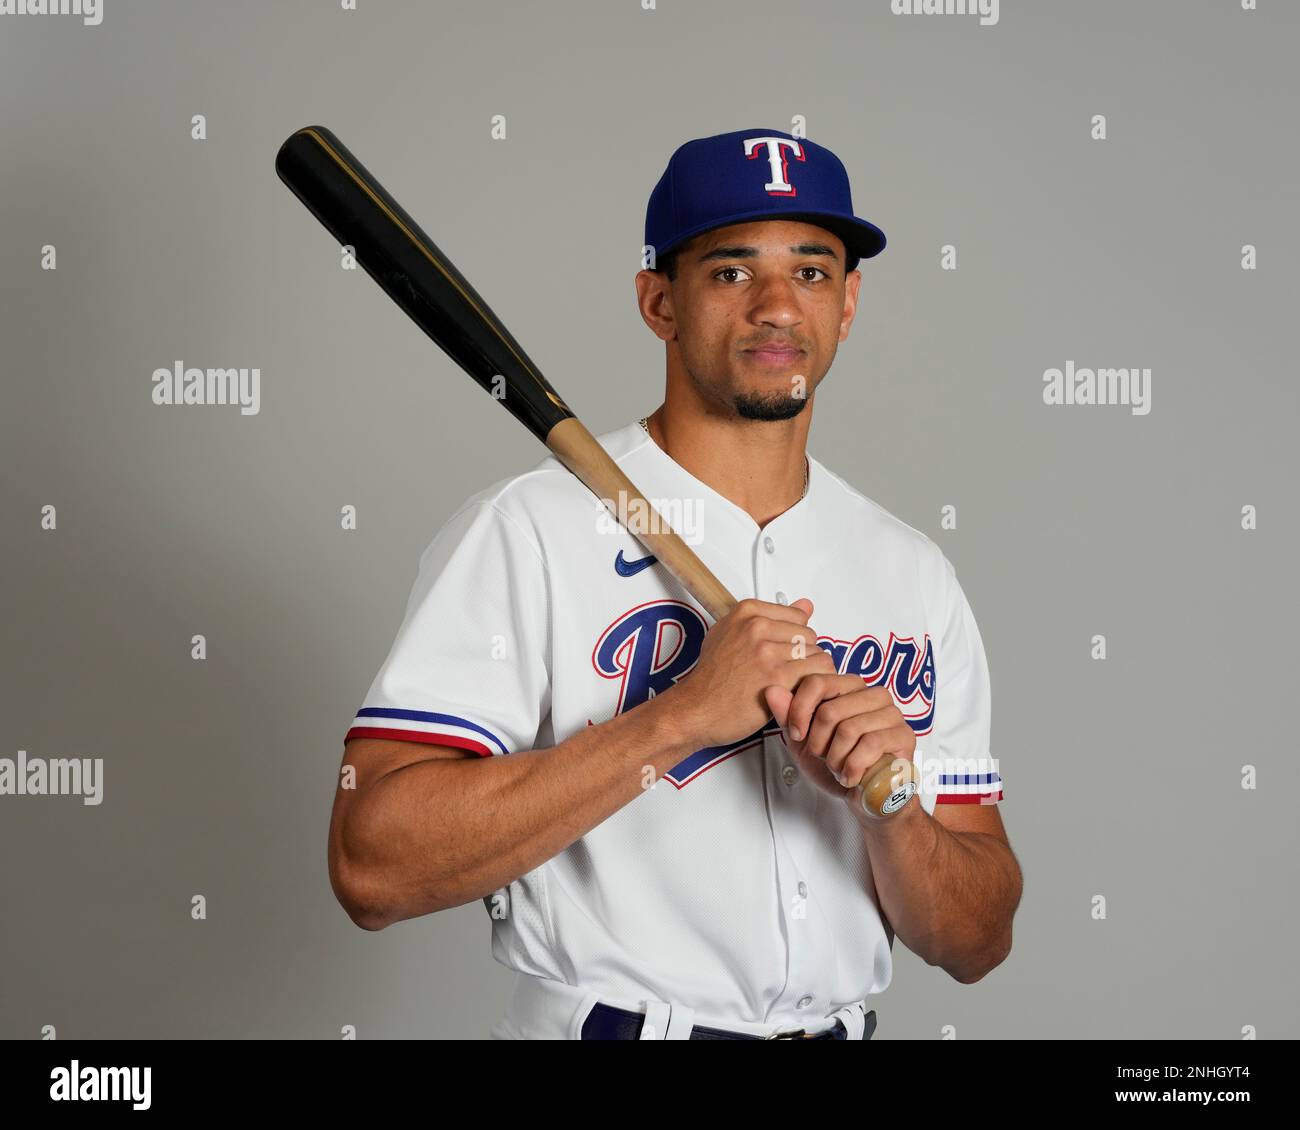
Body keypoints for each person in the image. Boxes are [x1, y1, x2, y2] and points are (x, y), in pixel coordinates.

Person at [327, 127, 1023, 1040]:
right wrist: (680, 717)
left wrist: (888, 806)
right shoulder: (532, 530)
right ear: (660, 301)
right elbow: (371, 868)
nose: (778, 306)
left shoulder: (912, 571)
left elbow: (978, 941)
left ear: (849, 302)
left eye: (811, 271)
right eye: (733, 271)